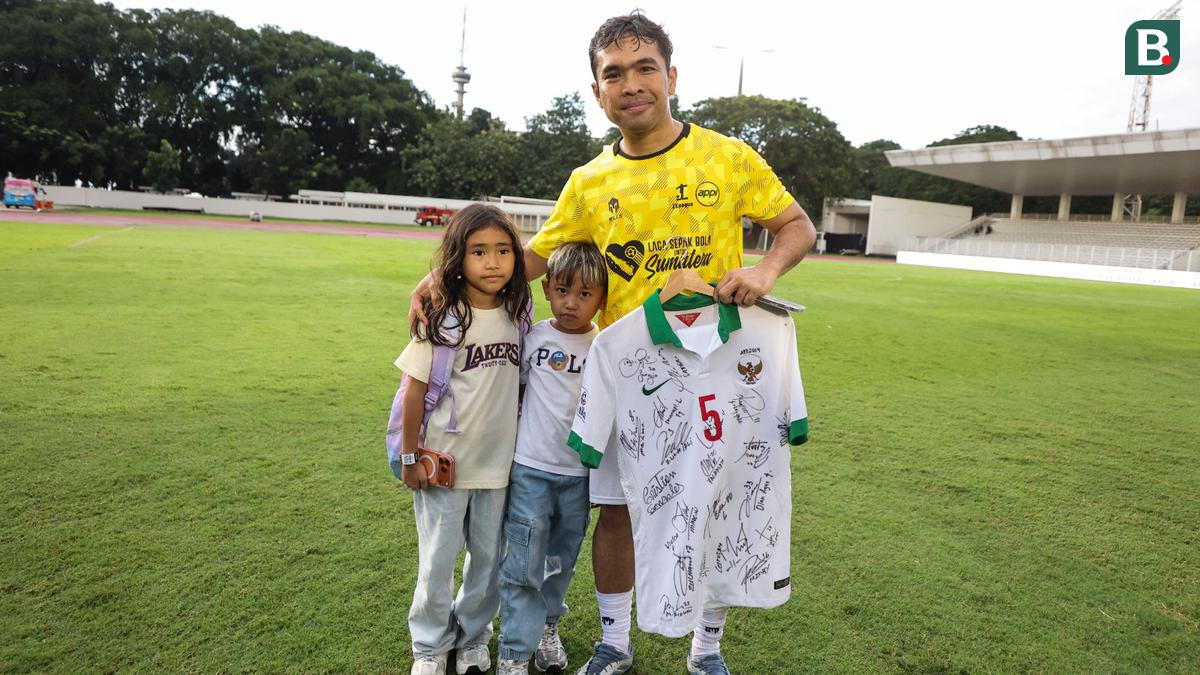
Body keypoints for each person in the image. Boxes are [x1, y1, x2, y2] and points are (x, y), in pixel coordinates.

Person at [410, 12, 817, 675]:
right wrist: (444, 278)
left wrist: (766, 270)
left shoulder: (727, 156)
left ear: (672, 77)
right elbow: (533, 258)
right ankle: (614, 644)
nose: (631, 84)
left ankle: (707, 649)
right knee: (618, 512)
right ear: (596, 91)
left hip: (714, 367)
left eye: (645, 68)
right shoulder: (589, 181)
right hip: (630, 376)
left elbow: (796, 224)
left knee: (715, 504)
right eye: (614, 74)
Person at [395, 204, 532, 675]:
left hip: (499, 466)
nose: (493, 262)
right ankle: (430, 645)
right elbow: (414, 392)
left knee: (488, 561)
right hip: (444, 466)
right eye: (479, 252)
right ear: (458, 256)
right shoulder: (444, 317)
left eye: (503, 250)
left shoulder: (519, 313)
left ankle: (474, 637)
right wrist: (410, 458)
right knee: (437, 561)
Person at [496, 243, 608, 675]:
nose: (571, 303)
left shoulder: (604, 346)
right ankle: (513, 650)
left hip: (578, 478)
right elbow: (517, 392)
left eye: (584, 294)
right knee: (524, 561)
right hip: (531, 471)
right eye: (562, 291)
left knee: (560, 561)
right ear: (545, 289)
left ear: (602, 298)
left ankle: (547, 626)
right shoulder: (535, 337)